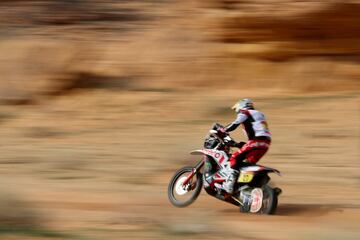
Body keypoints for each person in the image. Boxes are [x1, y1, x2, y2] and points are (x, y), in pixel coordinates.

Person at [217, 99, 272, 194]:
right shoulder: (259, 114)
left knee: (234, 158)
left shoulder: (245, 112)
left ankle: (229, 185)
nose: (237, 111)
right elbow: (257, 128)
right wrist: (239, 144)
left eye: (236, 109)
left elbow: (235, 124)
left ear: (241, 105)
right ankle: (247, 188)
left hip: (255, 141)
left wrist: (223, 130)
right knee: (248, 164)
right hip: (266, 143)